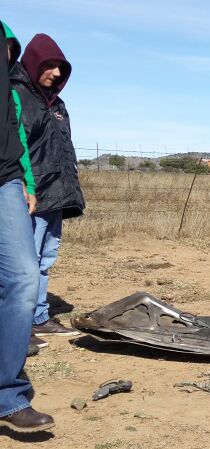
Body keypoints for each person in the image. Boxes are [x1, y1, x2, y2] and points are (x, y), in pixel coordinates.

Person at [0, 18, 54, 433]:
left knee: (23, 277)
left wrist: (26, 182)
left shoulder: (7, 43)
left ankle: (8, 394)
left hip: (5, 180)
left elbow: (13, 130)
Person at [11, 33, 84, 336]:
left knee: (46, 259)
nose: (56, 73)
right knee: (24, 263)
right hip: (30, 192)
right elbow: (14, 146)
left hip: (57, 192)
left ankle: (39, 317)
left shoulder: (58, 104)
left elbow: (65, 148)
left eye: (60, 68)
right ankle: (18, 323)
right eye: (50, 65)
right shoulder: (14, 94)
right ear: (33, 61)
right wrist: (22, 187)